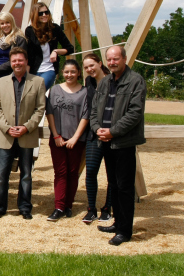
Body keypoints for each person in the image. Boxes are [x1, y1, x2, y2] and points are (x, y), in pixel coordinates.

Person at [90, 45, 146, 246]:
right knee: (113, 184)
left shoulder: (135, 81)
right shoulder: (105, 82)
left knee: (124, 187)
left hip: (123, 142)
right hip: (105, 141)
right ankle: (117, 222)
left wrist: (113, 131)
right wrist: (98, 129)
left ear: (124, 59)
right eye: (109, 59)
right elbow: (95, 110)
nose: (112, 62)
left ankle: (125, 230)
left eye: (116, 59)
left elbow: (134, 113)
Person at [0, 48, 46, 220]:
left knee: (26, 175)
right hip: (6, 135)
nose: (17, 63)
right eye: (14, 61)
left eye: (20, 60)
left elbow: (40, 108)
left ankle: (24, 207)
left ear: (26, 61)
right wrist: (7, 127)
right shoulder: (1, 82)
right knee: (1, 176)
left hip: (26, 135)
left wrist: (26, 127)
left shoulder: (38, 82)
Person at [45, 59, 89, 221]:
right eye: (66, 72)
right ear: (62, 73)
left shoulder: (85, 92)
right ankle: (59, 206)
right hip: (58, 138)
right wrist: (56, 135)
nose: (69, 75)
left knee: (72, 172)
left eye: (73, 72)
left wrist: (75, 138)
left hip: (76, 139)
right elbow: (49, 112)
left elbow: (86, 115)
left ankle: (68, 205)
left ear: (78, 73)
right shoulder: (55, 90)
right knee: (60, 172)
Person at [81, 53, 112, 224]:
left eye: (92, 65)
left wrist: (111, 130)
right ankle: (91, 208)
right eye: (86, 67)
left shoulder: (113, 81)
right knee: (91, 170)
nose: (89, 69)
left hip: (113, 134)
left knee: (112, 174)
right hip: (94, 133)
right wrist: (96, 128)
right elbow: (91, 109)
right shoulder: (89, 82)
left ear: (100, 63)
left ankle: (107, 208)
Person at [25, 2, 74, 90]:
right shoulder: (30, 31)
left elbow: (70, 48)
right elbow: (29, 54)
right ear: (35, 15)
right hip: (34, 70)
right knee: (31, 94)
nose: (44, 15)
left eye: (46, 12)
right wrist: (26, 75)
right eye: (41, 13)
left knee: (39, 90)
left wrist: (56, 51)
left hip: (49, 69)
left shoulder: (55, 29)